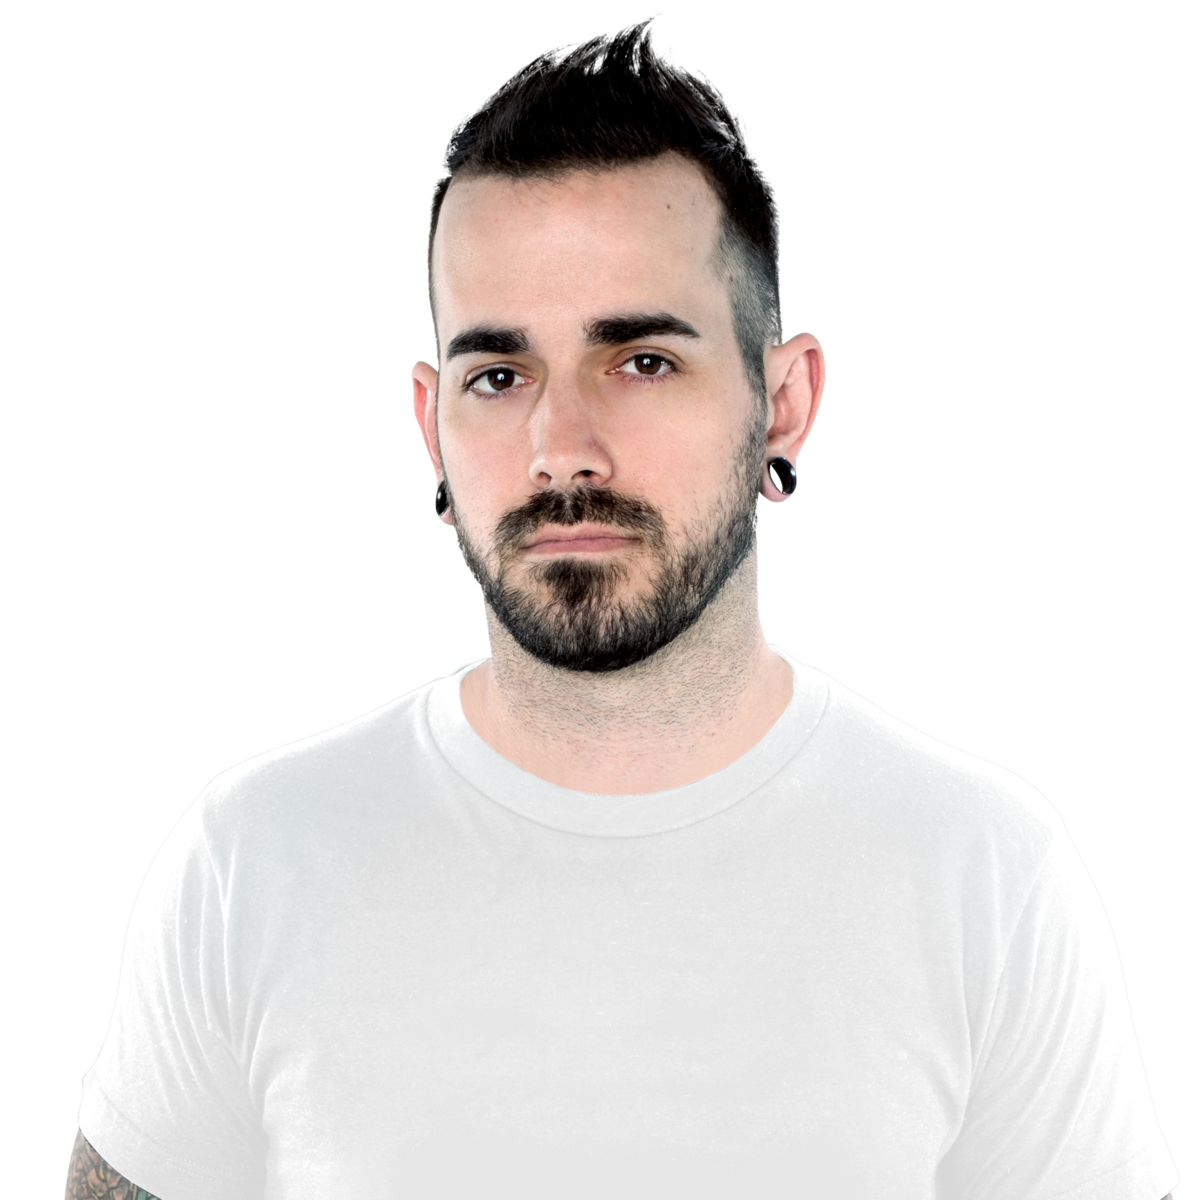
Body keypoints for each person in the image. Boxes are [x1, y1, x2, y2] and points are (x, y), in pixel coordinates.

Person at [67, 14, 1182, 1199]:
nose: (561, 448)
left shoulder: (987, 866)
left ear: (783, 403)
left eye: (642, 361)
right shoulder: (250, 858)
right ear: (431, 425)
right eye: (499, 375)